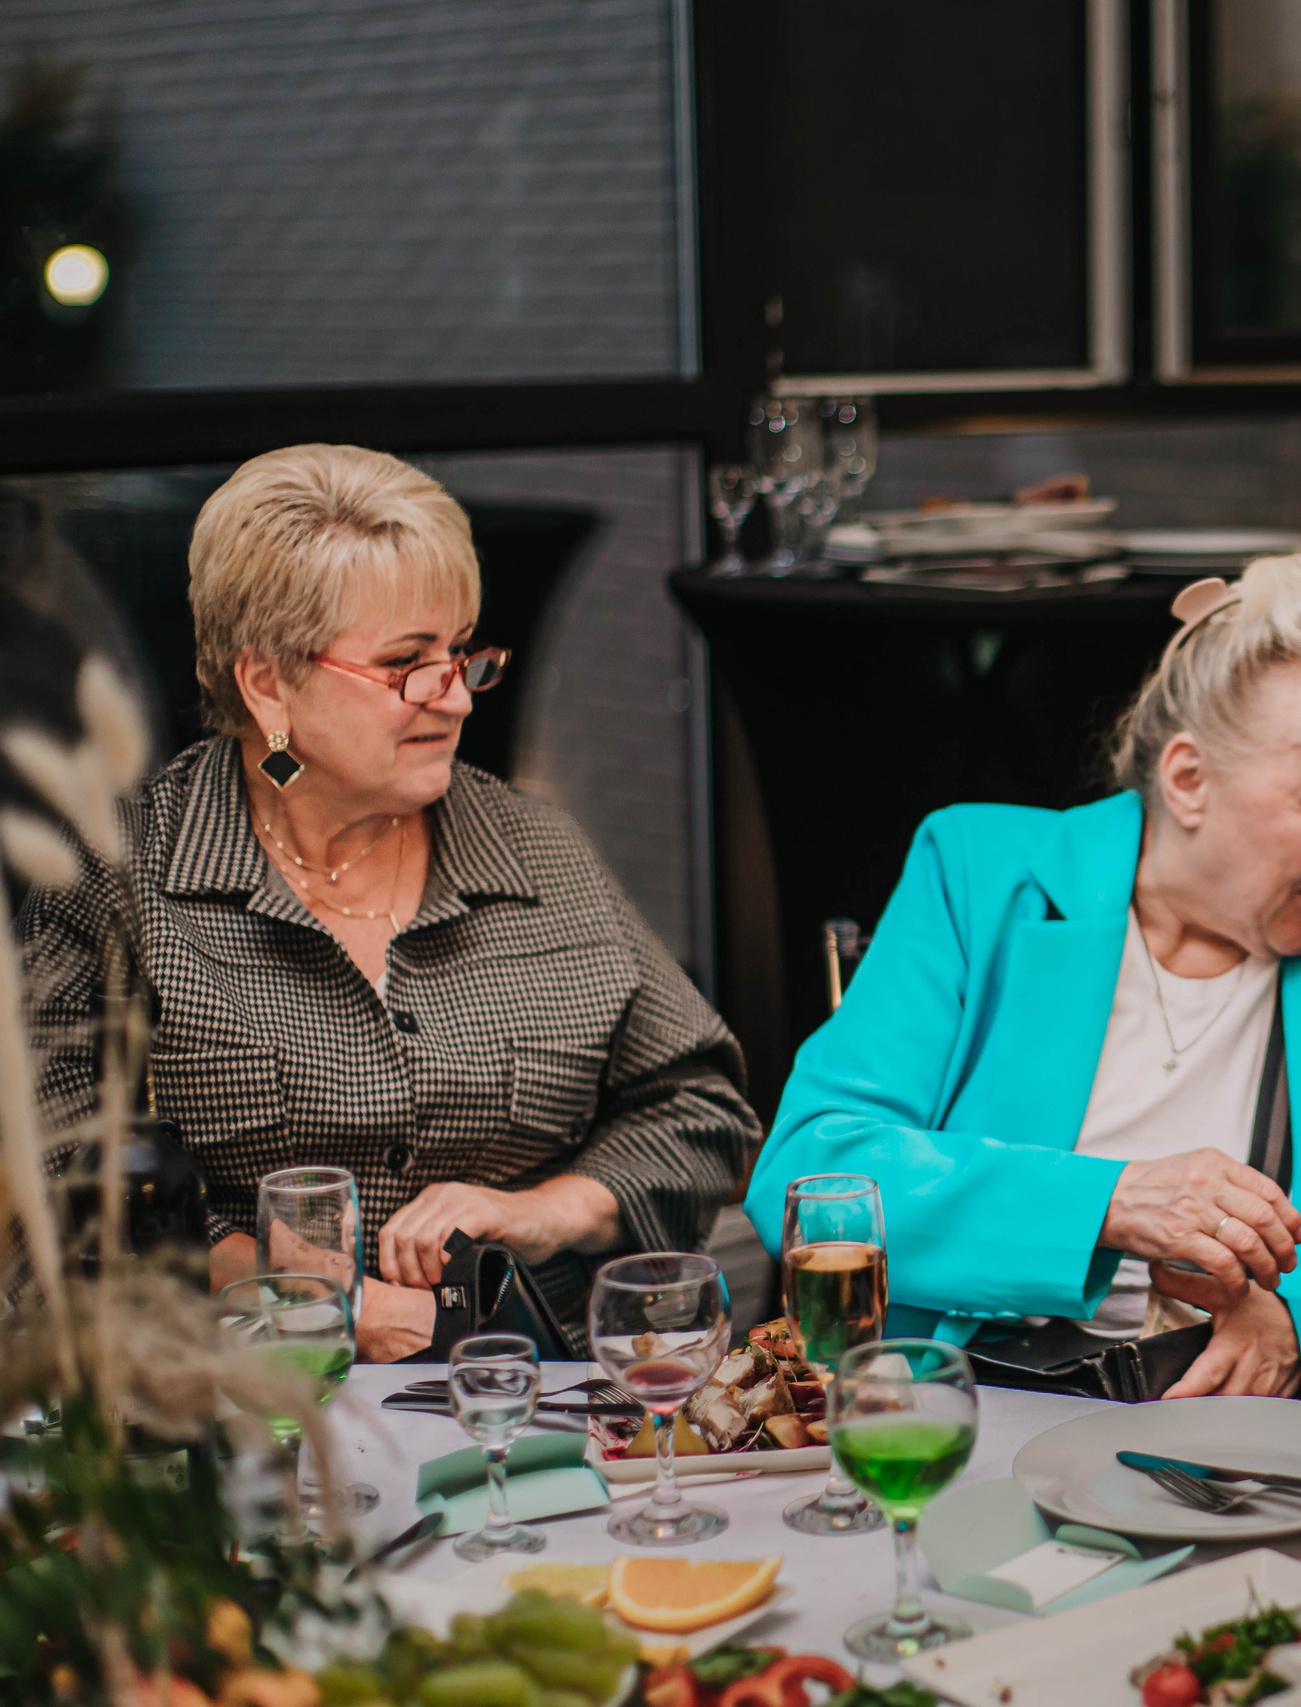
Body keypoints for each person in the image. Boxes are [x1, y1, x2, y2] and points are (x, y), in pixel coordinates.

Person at [20, 444, 756, 1358]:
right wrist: (316, 1299)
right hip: (259, 1409)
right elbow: (54, 1186)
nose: (454, 699)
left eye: (462, 655)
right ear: (268, 681)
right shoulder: (122, 879)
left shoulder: (539, 853)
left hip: (549, 1397)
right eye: (408, 663)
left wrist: (538, 1211)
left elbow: (702, 1110)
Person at [746, 552, 1301, 1422]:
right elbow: (806, 1180)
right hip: (962, 1413)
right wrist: (1111, 1203)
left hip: (1227, 1446)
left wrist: (1297, 1327)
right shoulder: (979, 877)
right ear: (1189, 780)